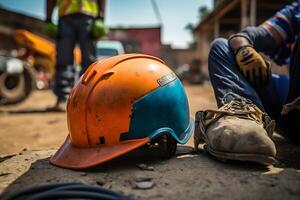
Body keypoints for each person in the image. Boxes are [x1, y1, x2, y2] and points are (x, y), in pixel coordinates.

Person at [194, 2, 300, 165]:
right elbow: (249, 36)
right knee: (221, 47)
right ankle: (244, 121)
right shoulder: (296, 10)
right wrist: (244, 49)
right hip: (291, 106)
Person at [45, 0, 106, 110]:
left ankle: (89, 98)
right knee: (64, 59)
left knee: (89, 62)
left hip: (88, 17)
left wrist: (100, 18)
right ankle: (63, 99)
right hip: (65, 18)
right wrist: (48, 19)